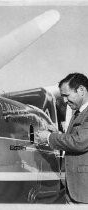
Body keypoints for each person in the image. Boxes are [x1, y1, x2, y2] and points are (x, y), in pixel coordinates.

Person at [36, 73, 88, 204]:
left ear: (81, 90)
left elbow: (80, 142)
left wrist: (49, 137)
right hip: (73, 189)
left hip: (84, 191)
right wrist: (58, 133)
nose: (64, 100)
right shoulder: (79, 113)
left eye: (66, 95)